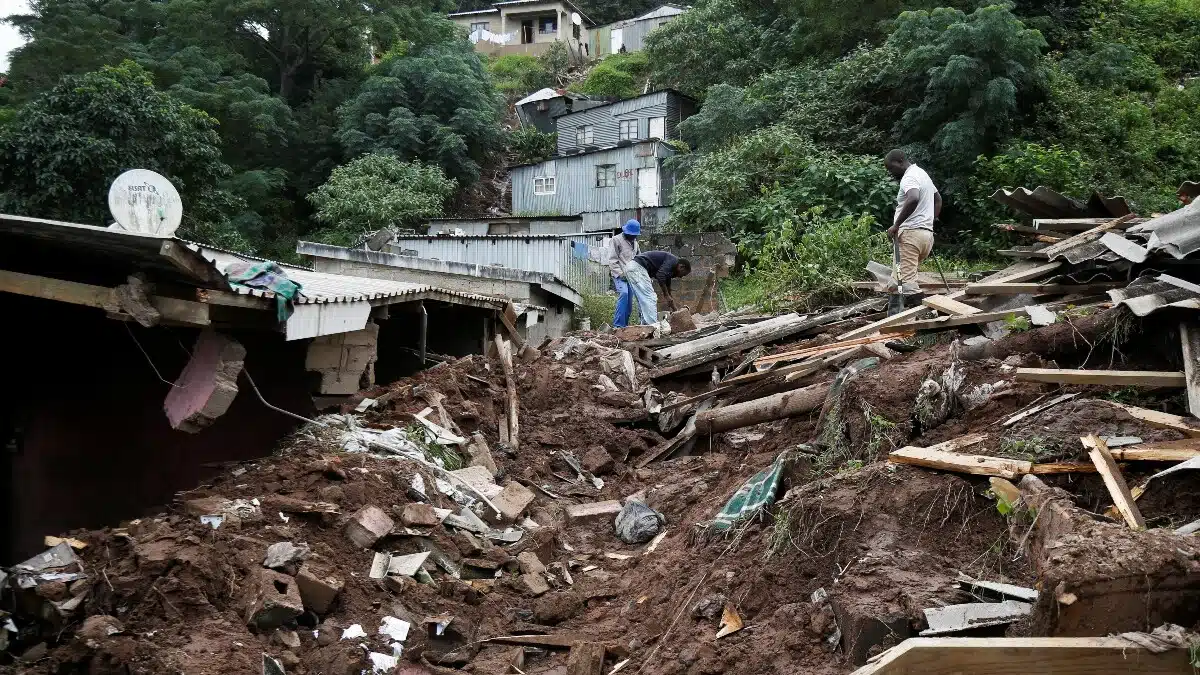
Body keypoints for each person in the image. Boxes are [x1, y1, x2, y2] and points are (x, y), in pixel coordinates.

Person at [884, 149, 941, 296]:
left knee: (906, 287)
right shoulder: (922, 174)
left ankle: (917, 315)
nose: (891, 172)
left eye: (891, 167)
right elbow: (938, 200)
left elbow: (913, 198)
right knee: (899, 281)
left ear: (900, 162)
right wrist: (929, 221)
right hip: (925, 236)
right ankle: (899, 313)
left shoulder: (909, 177)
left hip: (910, 236)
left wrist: (896, 224)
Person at [626, 250, 692, 324]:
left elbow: (667, 282)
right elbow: (660, 275)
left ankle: (645, 327)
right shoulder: (672, 261)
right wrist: (666, 295)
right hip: (638, 268)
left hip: (633, 267)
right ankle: (653, 327)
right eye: (683, 274)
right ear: (681, 267)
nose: (680, 277)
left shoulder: (671, 266)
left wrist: (673, 305)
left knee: (643, 301)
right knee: (650, 298)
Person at [607, 219, 641, 327]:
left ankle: (624, 327)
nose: (633, 237)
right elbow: (612, 260)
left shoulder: (635, 243)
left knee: (630, 303)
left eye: (634, 235)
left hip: (631, 276)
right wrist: (620, 274)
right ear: (626, 232)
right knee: (624, 294)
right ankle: (618, 326)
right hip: (619, 275)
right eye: (631, 235)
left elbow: (639, 258)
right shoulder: (616, 240)